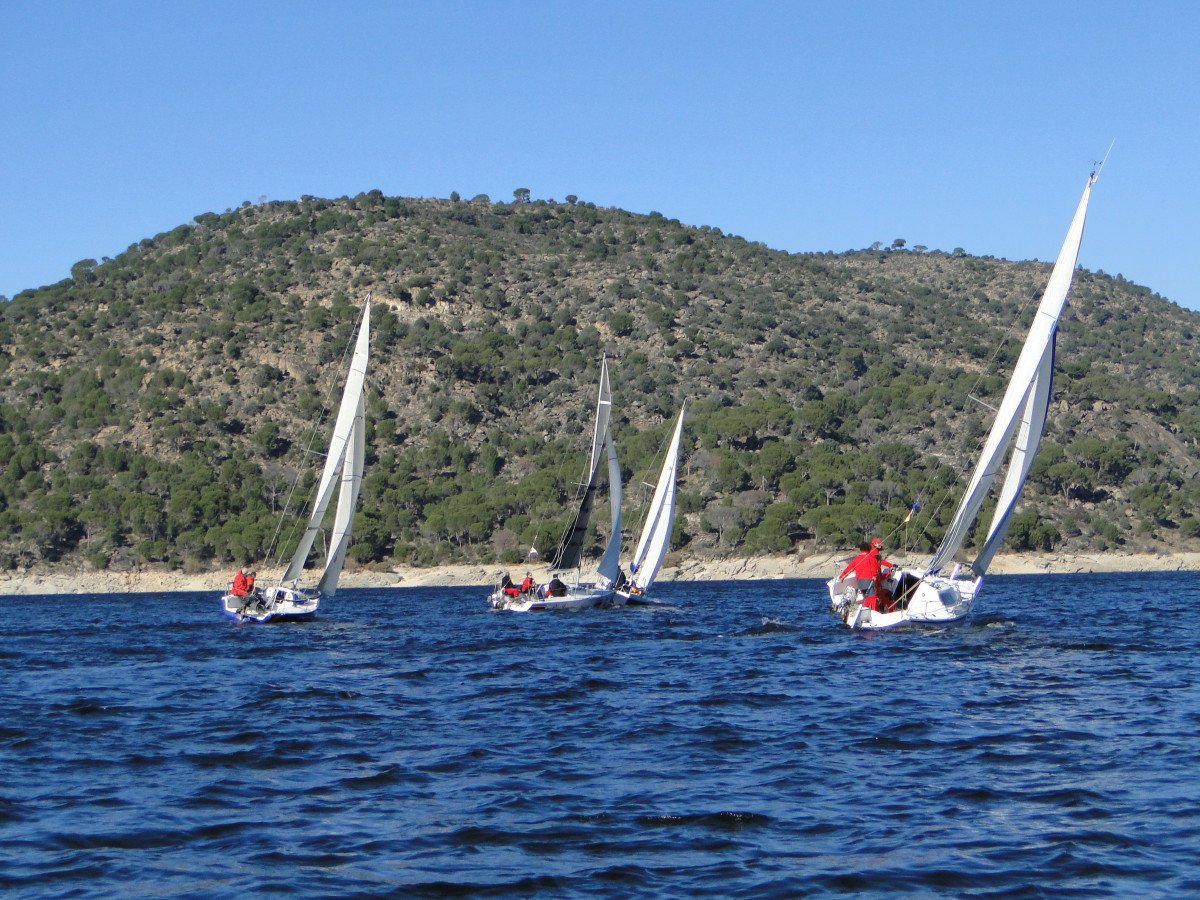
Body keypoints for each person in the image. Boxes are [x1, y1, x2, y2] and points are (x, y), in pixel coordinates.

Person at [839, 538, 893, 610]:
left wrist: (842, 576)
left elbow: (849, 568)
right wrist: (876, 576)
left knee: (866, 596)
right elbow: (875, 568)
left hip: (860, 582)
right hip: (869, 581)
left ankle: (865, 609)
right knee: (872, 597)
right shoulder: (871, 558)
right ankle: (871, 611)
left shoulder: (857, 558)